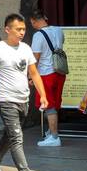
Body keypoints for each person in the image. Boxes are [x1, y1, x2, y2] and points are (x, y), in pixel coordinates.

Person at [0, 13, 49, 171]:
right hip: (6, 99)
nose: (21, 32)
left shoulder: (26, 49)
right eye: (18, 29)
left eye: (24, 29)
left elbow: (34, 73)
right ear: (7, 29)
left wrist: (42, 95)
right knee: (17, 136)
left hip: (23, 99)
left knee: (10, 135)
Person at [29, 11, 67, 147]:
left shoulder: (38, 36)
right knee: (55, 104)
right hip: (60, 72)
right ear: (45, 18)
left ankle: (55, 137)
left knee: (48, 106)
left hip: (45, 74)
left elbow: (36, 58)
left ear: (33, 21)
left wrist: (31, 77)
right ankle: (51, 132)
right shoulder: (58, 30)